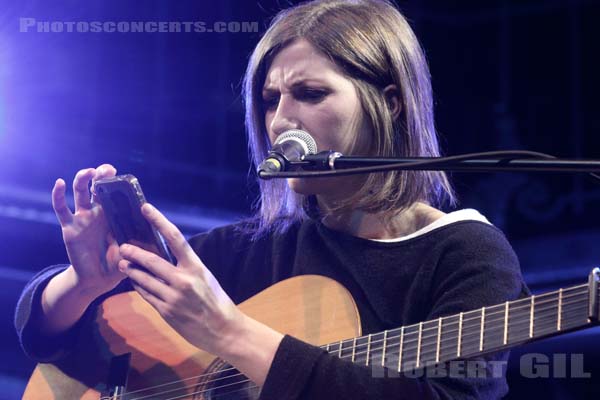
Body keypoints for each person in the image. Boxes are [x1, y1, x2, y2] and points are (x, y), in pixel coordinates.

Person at [15, 0, 529, 398]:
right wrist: (83, 283)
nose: (282, 120)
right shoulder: (254, 248)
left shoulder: (466, 252)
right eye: (269, 100)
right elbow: (45, 339)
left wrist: (228, 333)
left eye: (310, 94)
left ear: (389, 104)